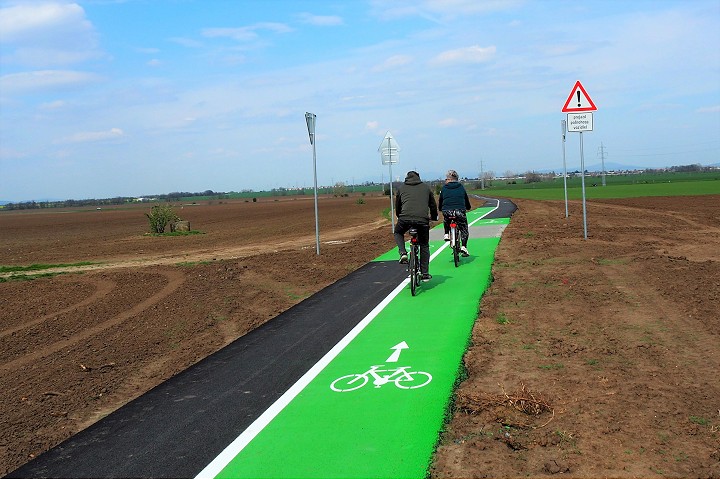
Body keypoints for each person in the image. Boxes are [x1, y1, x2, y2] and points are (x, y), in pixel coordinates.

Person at [394, 170, 438, 282]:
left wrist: (400, 216)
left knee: (398, 232)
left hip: (405, 219)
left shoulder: (402, 188)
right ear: (418, 178)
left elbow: (398, 206)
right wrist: (433, 217)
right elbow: (432, 205)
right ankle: (425, 273)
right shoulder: (426, 188)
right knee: (424, 245)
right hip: (422, 220)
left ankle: (403, 253)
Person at [438, 169, 471, 257]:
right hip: (459, 210)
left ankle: (446, 234)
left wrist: (441, 208)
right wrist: (468, 207)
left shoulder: (444, 188)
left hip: (447, 210)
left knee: (446, 220)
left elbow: (441, 200)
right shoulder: (461, 187)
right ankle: (464, 246)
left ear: (448, 179)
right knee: (464, 228)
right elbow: (465, 199)